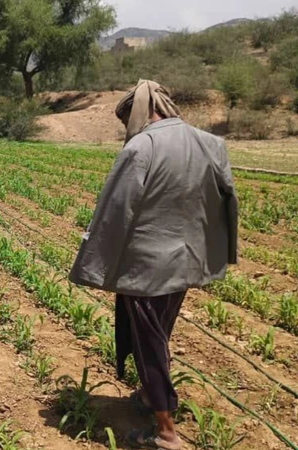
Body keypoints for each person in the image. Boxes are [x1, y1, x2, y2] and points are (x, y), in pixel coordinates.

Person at [68, 79, 238, 450]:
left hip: (146, 269)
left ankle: (165, 432)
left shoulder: (141, 147)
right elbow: (226, 204)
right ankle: (150, 395)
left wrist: (92, 265)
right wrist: (215, 252)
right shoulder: (211, 144)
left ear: (141, 112)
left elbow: (115, 211)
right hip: (186, 262)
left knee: (149, 344)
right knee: (159, 333)